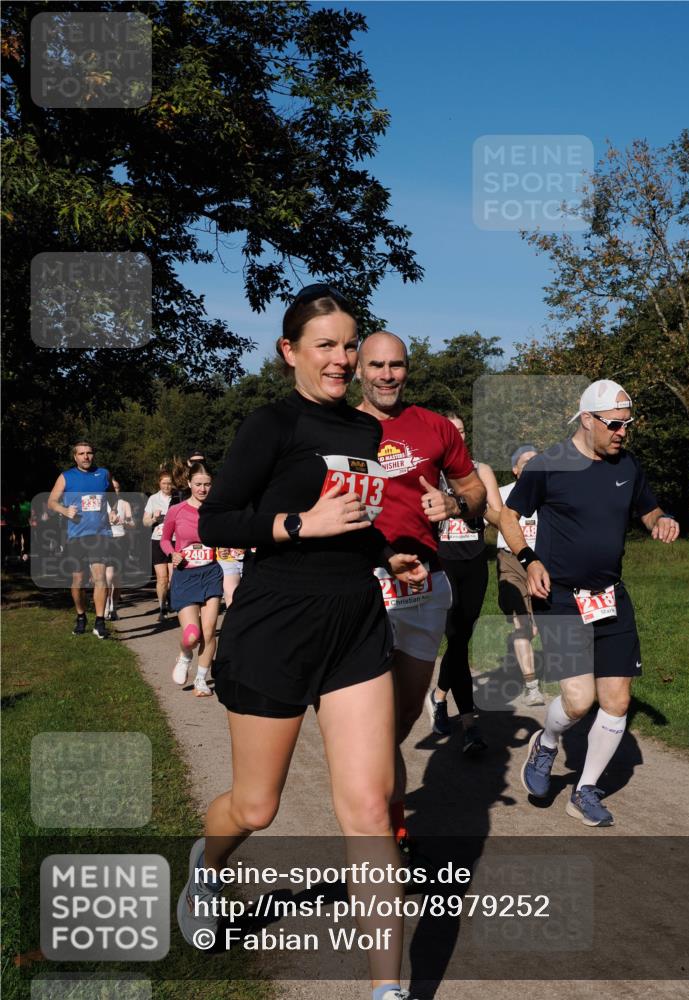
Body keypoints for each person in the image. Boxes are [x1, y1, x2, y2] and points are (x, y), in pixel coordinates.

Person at [179, 285, 424, 1000]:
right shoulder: (270, 424)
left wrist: (386, 554)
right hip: (274, 629)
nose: (343, 359)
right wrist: (296, 526)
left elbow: (350, 519)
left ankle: (388, 991)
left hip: (353, 625)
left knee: (371, 809)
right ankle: (208, 865)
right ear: (289, 352)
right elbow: (216, 522)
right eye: (326, 345)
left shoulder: (363, 433)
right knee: (257, 808)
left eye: (350, 344)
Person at [499, 379, 680, 826]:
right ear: (587, 419)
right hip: (560, 596)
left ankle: (585, 790)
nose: (623, 432)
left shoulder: (628, 465)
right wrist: (529, 559)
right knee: (578, 701)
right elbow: (508, 515)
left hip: (610, 596)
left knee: (616, 701)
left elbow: (648, 509)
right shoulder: (549, 464)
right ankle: (545, 744)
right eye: (615, 424)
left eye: (628, 424)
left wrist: (662, 520)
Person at [356, 334, 486, 850]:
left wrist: (454, 506)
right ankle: (386, 826)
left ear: (407, 369)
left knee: (404, 715)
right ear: (358, 368)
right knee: (373, 715)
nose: (387, 375)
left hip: (425, 583)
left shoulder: (433, 426)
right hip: (364, 582)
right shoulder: (339, 428)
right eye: (377, 365)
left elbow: (475, 489)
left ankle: (373, 792)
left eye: (397, 365)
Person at [426, 412, 503, 753]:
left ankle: (439, 696)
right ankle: (470, 724)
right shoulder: (429, 472)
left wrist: (469, 503)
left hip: (474, 563)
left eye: (460, 431)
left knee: (462, 639)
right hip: (442, 563)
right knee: (456, 639)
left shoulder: (479, 471)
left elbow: (497, 512)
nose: (456, 436)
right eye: (449, 431)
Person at [485, 444, 546, 707]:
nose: (532, 466)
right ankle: (532, 685)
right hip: (510, 561)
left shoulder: (549, 492)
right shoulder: (502, 494)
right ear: (515, 470)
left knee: (538, 625)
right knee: (521, 623)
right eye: (526, 463)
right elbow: (480, 517)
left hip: (542, 561)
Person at [160, 462, 223, 697]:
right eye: (198, 484)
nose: (203, 489)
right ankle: (185, 655)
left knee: (208, 632)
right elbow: (165, 540)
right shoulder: (177, 510)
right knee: (192, 635)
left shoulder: (217, 510)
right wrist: (172, 553)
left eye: (207, 484)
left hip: (211, 572)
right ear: (189, 484)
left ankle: (200, 680)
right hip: (186, 575)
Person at [47, 441, 113, 638]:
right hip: (76, 535)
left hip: (100, 534)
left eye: (89, 453)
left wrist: (113, 512)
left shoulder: (103, 474)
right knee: (78, 580)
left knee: (100, 577)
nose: (86, 456)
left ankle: (100, 622)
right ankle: (81, 616)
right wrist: (65, 510)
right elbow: (51, 501)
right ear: (75, 457)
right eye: (82, 453)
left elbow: (111, 496)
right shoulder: (66, 477)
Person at [143, 470, 174, 621]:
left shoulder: (178, 498)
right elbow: (145, 522)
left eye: (169, 483)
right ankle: (162, 608)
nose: (167, 486)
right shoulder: (153, 499)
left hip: (175, 541)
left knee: (174, 578)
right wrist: (154, 518)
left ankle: (172, 601)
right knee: (162, 578)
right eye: (164, 483)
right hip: (158, 540)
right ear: (159, 483)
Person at [105, 477, 134, 620]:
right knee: (108, 576)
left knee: (117, 579)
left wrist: (124, 521)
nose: (114, 491)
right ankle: (105, 606)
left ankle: (114, 607)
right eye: (112, 488)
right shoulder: (102, 505)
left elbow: (132, 523)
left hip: (121, 541)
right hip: (106, 541)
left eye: (116, 488)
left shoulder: (124, 504)